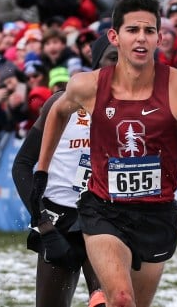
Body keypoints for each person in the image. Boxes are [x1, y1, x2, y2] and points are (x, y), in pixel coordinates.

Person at [35, 0, 177, 307]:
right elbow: (58, 111)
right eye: (133, 30)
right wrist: (42, 168)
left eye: (149, 31)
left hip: (157, 214)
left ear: (160, 38)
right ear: (115, 36)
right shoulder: (87, 85)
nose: (141, 38)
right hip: (104, 210)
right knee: (119, 299)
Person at [12, 35, 118, 307]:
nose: (121, 66)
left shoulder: (135, 110)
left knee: (109, 299)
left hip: (104, 218)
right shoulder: (62, 104)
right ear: (96, 64)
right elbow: (22, 165)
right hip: (60, 220)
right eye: (113, 58)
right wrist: (44, 225)